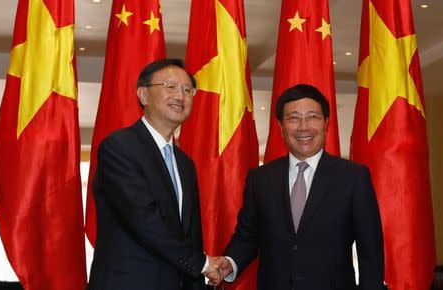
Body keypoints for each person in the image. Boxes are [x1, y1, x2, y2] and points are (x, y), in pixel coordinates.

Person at [213, 84, 385, 290]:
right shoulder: (260, 179)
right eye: (293, 118)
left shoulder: (353, 177)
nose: (303, 127)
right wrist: (230, 263)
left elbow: (370, 252)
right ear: (280, 126)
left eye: (312, 117)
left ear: (326, 123)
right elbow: (247, 236)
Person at [88, 58, 219, 290]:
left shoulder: (185, 163)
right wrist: (203, 263)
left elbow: (189, 235)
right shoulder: (119, 147)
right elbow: (144, 220)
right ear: (144, 95)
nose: (180, 96)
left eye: (187, 90)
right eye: (170, 87)